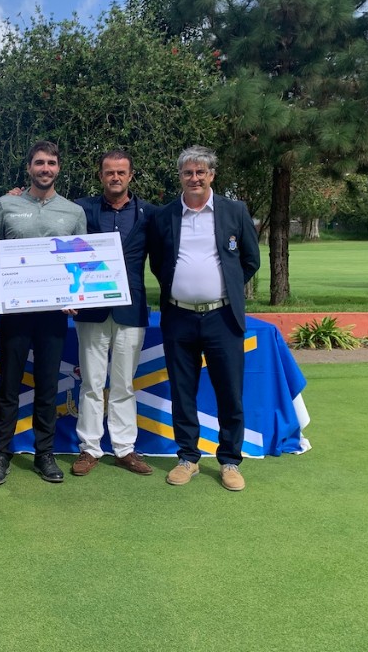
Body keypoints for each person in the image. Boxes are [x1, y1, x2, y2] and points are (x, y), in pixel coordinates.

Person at [147, 145, 260, 491]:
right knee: (184, 391)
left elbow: (250, 260)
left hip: (222, 317)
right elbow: (158, 263)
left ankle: (229, 460)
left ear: (212, 175)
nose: (194, 178)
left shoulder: (234, 211)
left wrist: (221, 289)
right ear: (180, 176)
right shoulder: (165, 215)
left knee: (230, 391)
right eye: (187, 173)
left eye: (200, 172)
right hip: (178, 317)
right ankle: (188, 458)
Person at [0, 140, 87, 485]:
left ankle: (45, 453)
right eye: (39, 162)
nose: (46, 168)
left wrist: (77, 295)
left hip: (54, 315)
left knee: (46, 387)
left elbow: (81, 265)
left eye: (52, 163)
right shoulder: (6, 204)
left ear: (58, 168)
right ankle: (1, 454)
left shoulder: (73, 212)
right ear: (29, 167)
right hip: (15, 312)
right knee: (8, 385)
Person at [70, 150, 157, 477]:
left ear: (131, 175)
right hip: (91, 308)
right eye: (109, 172)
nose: (115, 177)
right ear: (101, 175)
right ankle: (89, 448)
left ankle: (124, 449)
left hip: (131, 308)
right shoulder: (82, 208)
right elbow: (47, 208)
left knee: (123, 383)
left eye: (121, 172)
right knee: (91, 382)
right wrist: (18, 195)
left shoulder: (149, 213)